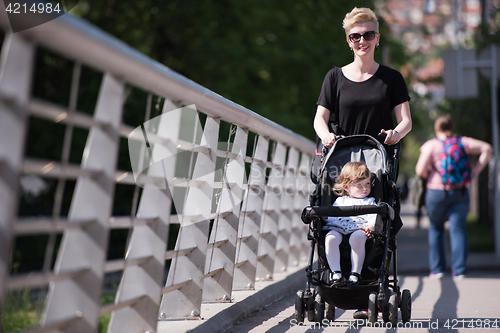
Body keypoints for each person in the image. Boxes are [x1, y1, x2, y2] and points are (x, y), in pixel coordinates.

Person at [313, 7, 412, 319]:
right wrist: (326, 135)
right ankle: (336, 278)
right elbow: (319, 118)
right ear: (348, 40)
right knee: (328, 216)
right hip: (340, 163)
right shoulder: (334, 78)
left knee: (378, 221)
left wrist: (396, 133)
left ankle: (373, 287)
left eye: (368, 34)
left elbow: (406, 120)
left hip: (377, 162)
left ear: (377, 38)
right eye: (355, 36)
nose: (362, 41)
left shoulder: (391, 79)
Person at [415, 114, 492, 280]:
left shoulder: (431, 145)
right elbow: (487, 148)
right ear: (452, 127)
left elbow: (420, 169)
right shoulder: (462, 142)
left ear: (437, 128)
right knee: (458, 230)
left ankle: (437, 270)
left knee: (436, 229)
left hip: (436, 192)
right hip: (460, 191)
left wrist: (429, 174)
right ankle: (459, 270)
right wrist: (475, 171)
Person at [324, 162, 376, 288]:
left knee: (357, 238)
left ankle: (355, 273)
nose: (365, 188)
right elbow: (332, 218)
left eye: (367, 184)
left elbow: (374, 216)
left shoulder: (370, 201)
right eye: (359, 184)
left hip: (359, 228)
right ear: (346, 187)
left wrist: (371, 226)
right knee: (330, 238)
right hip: (339, 228)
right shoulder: (340, 201)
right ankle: (335, 272)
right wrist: (325, 217)